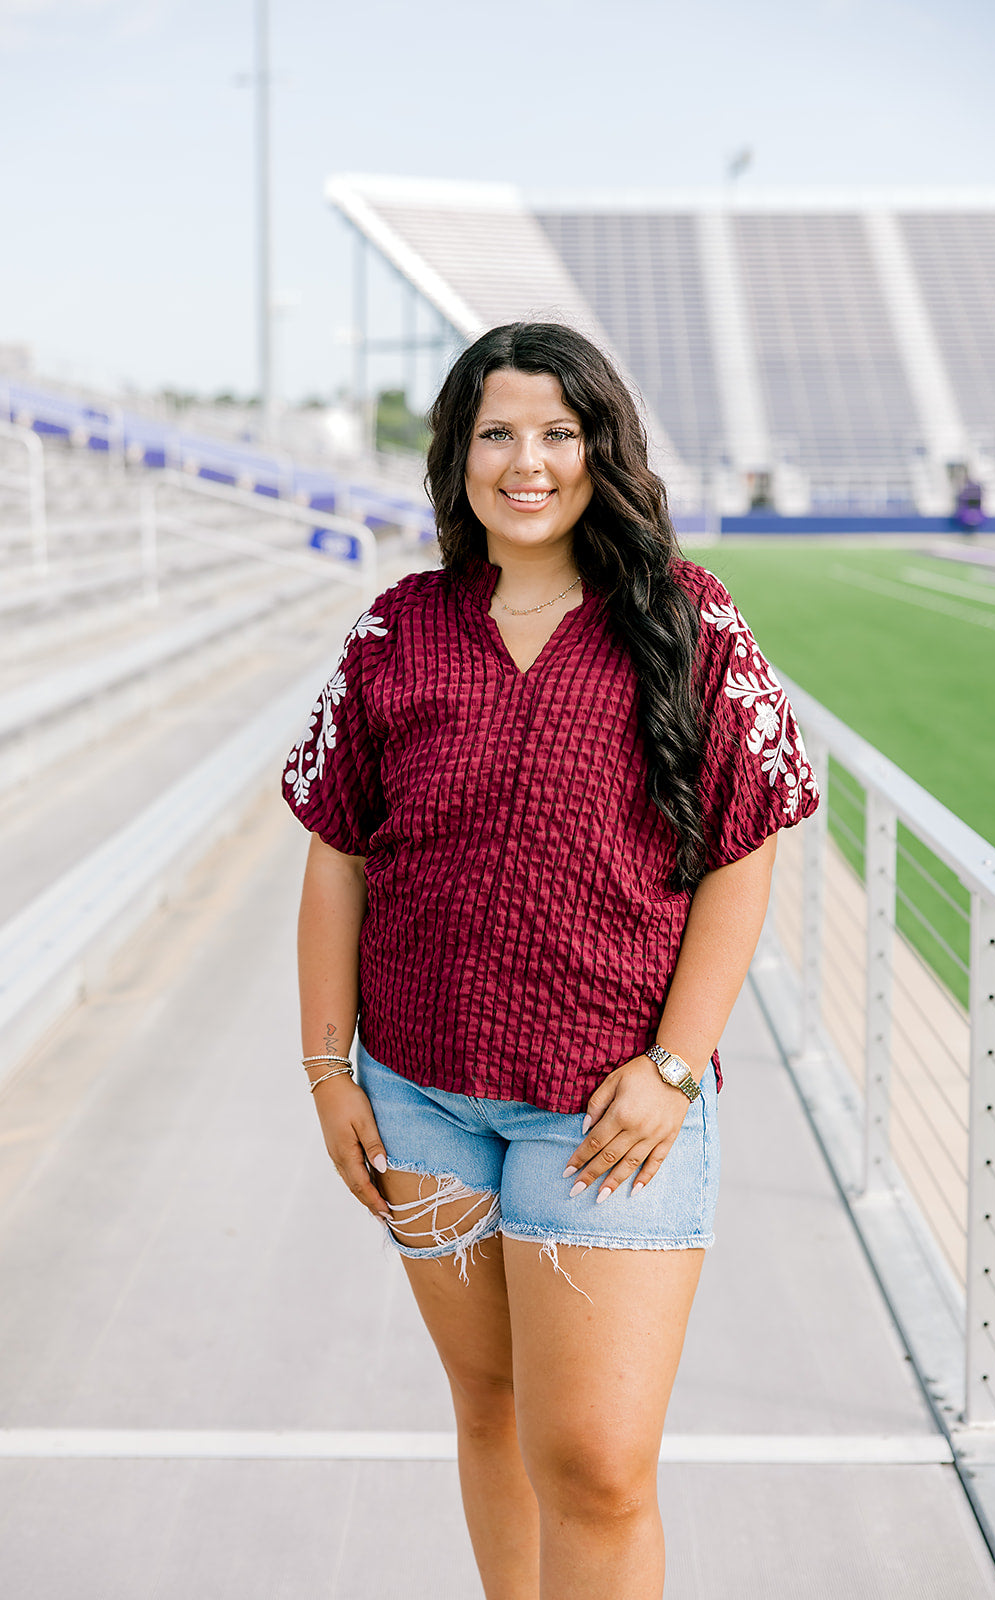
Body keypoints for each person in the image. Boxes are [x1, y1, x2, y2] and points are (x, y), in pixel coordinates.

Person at [283, 322, 819, 1600]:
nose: (527, 462)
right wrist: (326, 1071)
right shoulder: (395, 632)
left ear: (600, 450)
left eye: (558, 434)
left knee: (593, 1462)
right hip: (419, 1095)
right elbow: (336, 853)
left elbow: (743, 851)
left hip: (605, 1110)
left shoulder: (686, 621)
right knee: (488, 1408)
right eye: (497, 434)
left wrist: (672, 1069)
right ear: (457, 456)